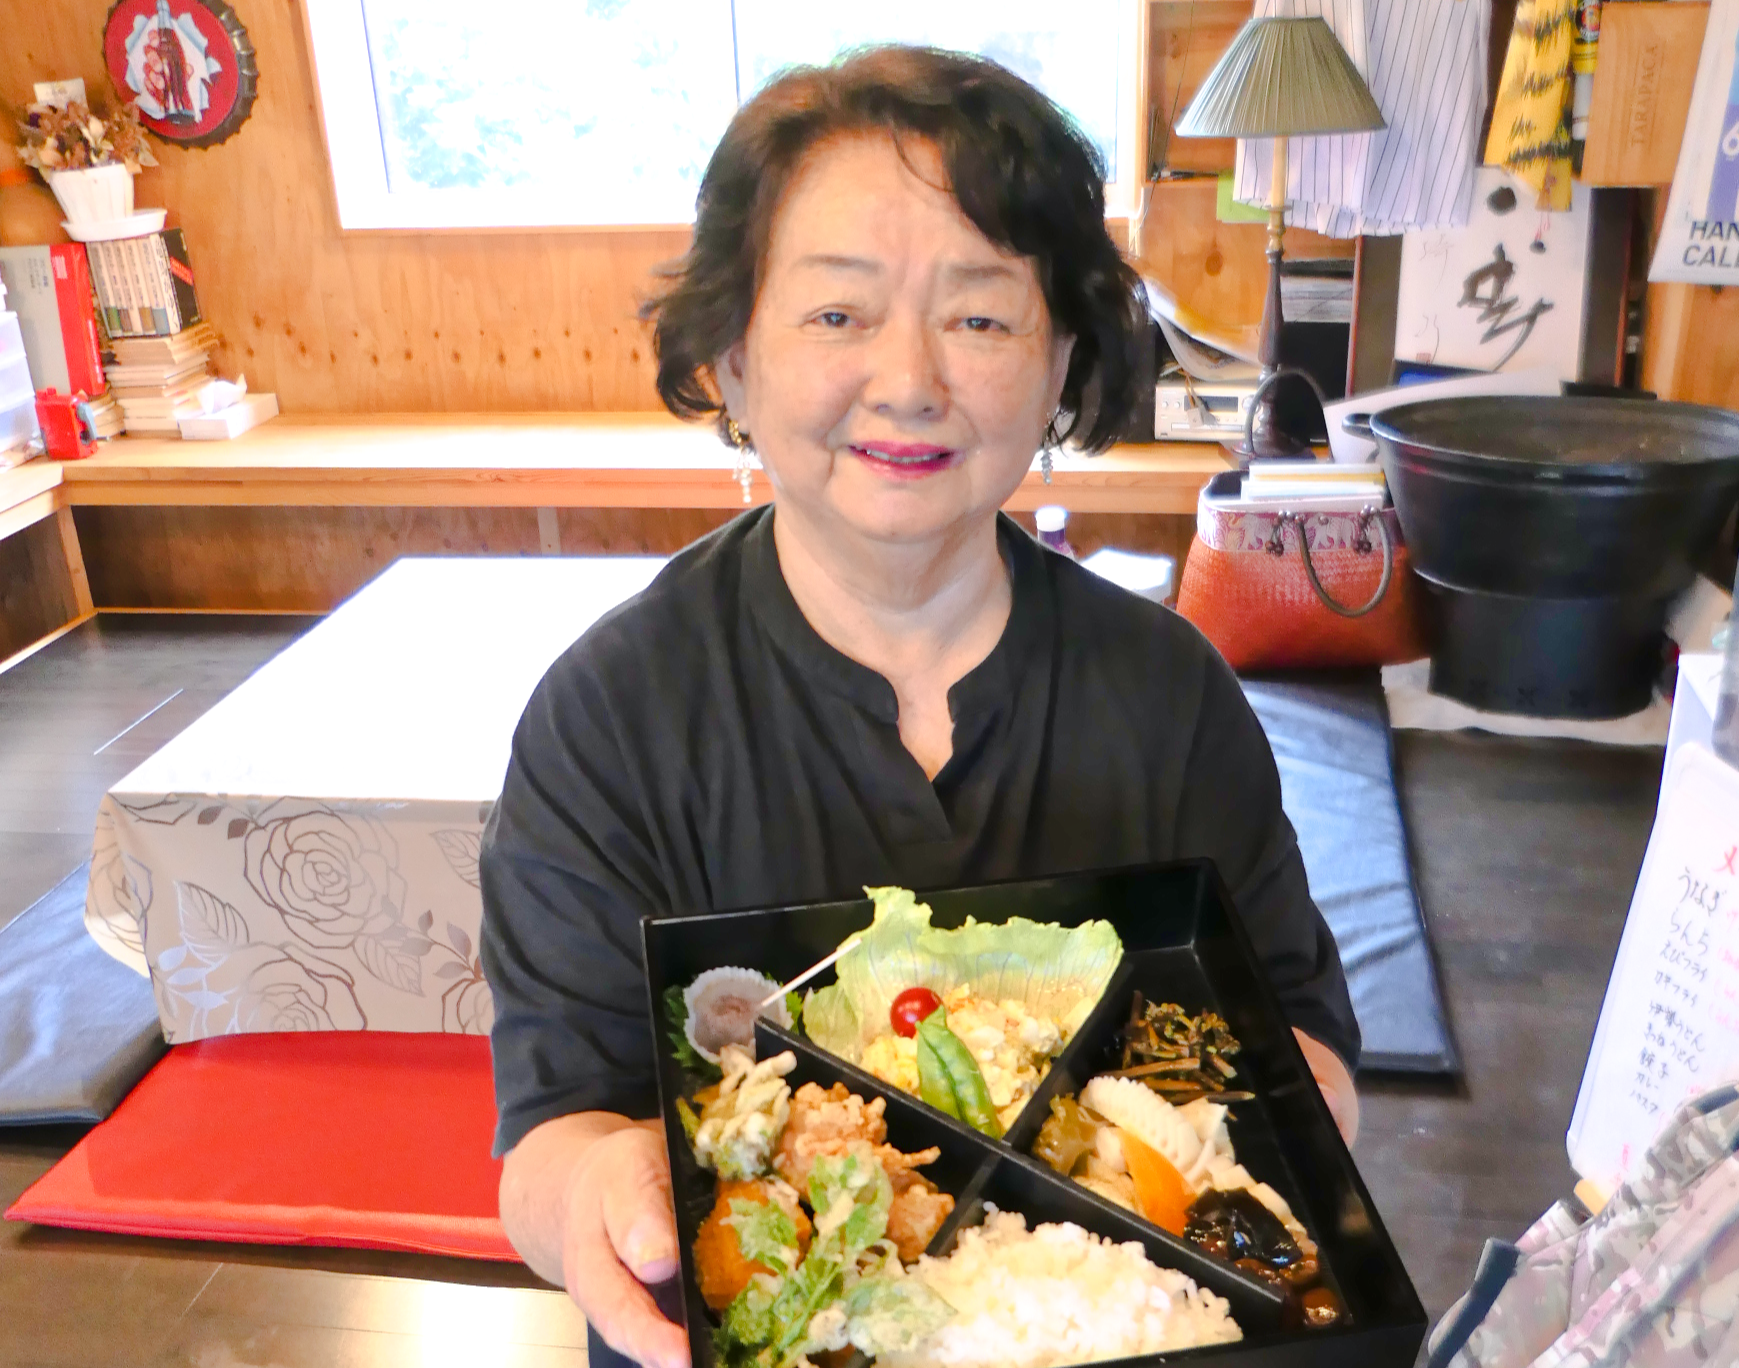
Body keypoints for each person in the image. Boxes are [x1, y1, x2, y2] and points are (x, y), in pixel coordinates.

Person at [478, 46, 1361, 1368]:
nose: (909, 380)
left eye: (982, 316)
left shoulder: (1167, 693)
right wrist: (605, 1197)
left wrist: (1258, 1127)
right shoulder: (610, 718)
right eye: (837, 315)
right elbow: (554, 1133)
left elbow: (1307, 1047)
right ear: (731, 355)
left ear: (1063, 360)